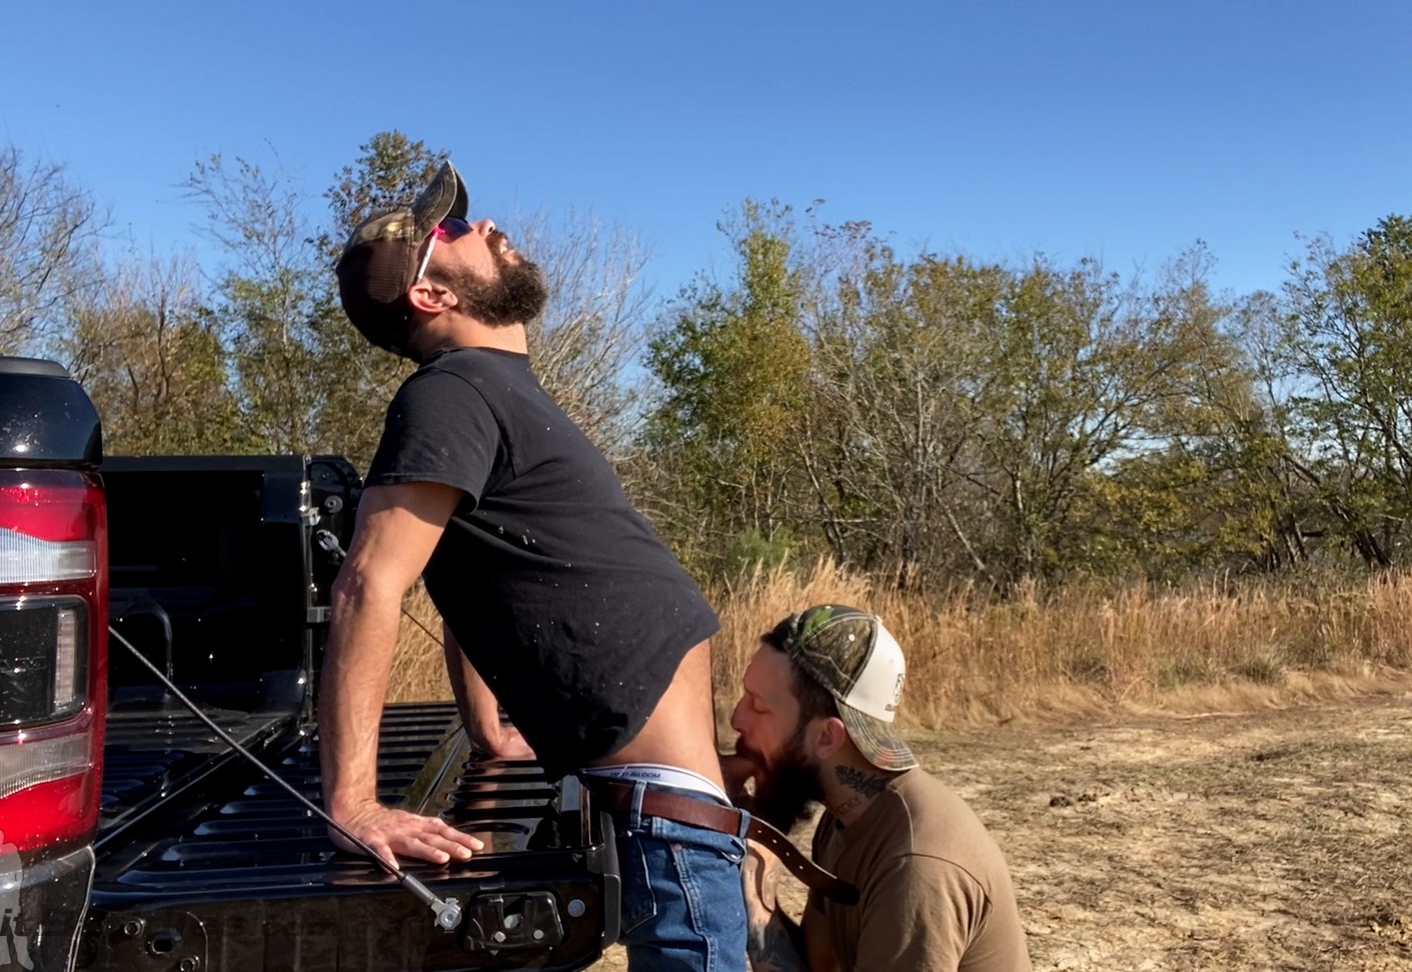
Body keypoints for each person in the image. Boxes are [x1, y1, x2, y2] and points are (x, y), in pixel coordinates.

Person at [322, 161, 745, 969]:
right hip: (669, 822)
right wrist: (354, 803)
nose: (485, 226)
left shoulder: (489, 389)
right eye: (453, 230)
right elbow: (369, 583)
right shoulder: (451, 392)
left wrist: (487, 729)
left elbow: (469, 573)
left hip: (678, 812)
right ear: (431, 294)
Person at [725, 604, 1031, 972]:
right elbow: (817, 968)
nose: (736, 718)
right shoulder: (845, 817)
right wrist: (753, 865)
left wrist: (753, 882)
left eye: (758, 707)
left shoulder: (916, 868)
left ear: (826, 737)